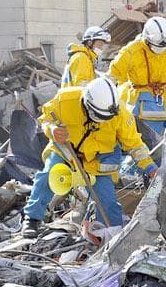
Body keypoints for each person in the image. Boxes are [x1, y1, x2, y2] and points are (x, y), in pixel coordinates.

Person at [21, 78, 157, 238]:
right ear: (87, 104)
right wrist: (52, 130)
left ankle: (111, 235)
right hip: (67, 151)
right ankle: (32, 219)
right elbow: (46, 118)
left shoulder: (120, 115)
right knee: (47, 175)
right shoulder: (66, 100)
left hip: (99, 161)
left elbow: (135, 145)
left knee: (107, 203)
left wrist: (150, 167)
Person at [108, 17, 166, 178]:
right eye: (158, 46)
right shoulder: (131, 51)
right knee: (153, 143)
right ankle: (152, 175)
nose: (162, 49)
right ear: (147, 39)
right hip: (144, 102)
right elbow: (112, 76)